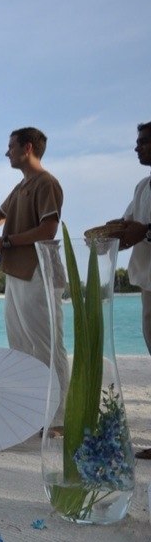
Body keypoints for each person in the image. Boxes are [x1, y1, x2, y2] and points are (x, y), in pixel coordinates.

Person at [0, 127, 69, 431]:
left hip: (39, 271)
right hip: (16, 272)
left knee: (47, 346)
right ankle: (34, 412)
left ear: (27, 148)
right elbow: (1, 213)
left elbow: (48, 230)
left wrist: (3, 241)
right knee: (21, 347)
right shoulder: (21, 187)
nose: (7, 152)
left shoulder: (46, 183)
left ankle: (59, 419)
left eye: (11, 147)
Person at [104, 120, 151, 460]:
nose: (137, 147)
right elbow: (127, 228)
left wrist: (145, 231)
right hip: (147, 284)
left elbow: (140, 230)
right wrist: (108, 234)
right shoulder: (143, 186)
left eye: (144, 141)